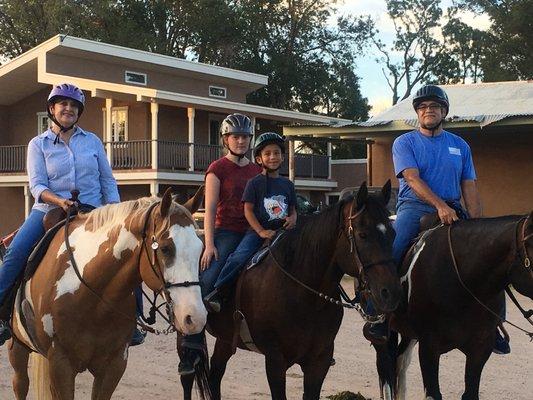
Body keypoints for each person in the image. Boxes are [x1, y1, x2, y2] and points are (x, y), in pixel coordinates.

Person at [363, 84, 509, 354]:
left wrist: (478, 224)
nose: (428, 110)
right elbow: (411, 178)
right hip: (414, 207)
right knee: (393, 252)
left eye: (434, 106)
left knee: (490, 256)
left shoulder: (460, 146)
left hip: (454, 208)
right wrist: (440, 206)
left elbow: (470, 186)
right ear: (418, 113)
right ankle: (378, 317)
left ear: (444, 111)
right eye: (423, 107)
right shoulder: (404, 142)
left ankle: (495, 325)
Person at [0, 84, 146, 346]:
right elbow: (37, 186)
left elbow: (107, 180)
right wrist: (59, 200)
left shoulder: (92, 141)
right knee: (16, 254)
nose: (68, 109)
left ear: (79, 112)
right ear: (52, 109)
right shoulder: (38, 144)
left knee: (128, 252)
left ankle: (134, 321)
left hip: (93, 212)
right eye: (63, 104)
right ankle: (2, 318)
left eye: (74, 106)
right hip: (49, 211)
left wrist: (114, 213)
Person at [178, 113, 261, 375]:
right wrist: (210, 244)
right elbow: (211, 209)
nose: (240, 141)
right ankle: (192, 342)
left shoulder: (257, 170)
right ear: (226, 139)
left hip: (253, 231)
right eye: (235, 136)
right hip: (225, 232)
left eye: (245, 137)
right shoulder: (217, 169)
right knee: (207, 278)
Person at [205, 132, 298, 308]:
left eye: (277, 153)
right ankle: (218, 291)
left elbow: (293, 209)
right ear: (259, 159)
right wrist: (260, 231)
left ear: (283, 157)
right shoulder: (254, 182)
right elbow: (247, 210)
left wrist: (293, 218)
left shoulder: (288, 185)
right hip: (255, 230)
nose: (273, 157)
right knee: (238, 257)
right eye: (267, 154)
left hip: (282, 231)